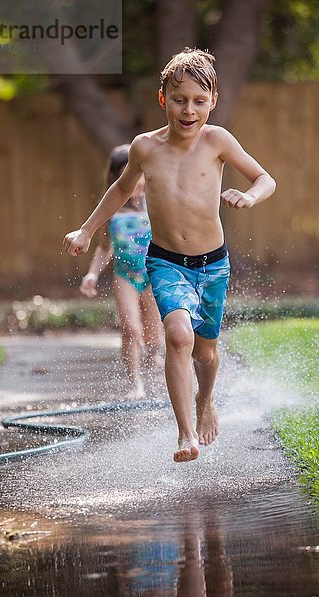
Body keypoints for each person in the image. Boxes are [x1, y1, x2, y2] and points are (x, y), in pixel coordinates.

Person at [63, 48, 276, 463]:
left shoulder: (218, 141)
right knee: (178, 336)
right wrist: (87, 230)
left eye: (199, 101)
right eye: (180, 100)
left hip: (212, 263)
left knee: (206, 352)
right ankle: (185, 433)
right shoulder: (145, 148)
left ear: (213, 102)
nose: (189, 109)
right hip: (164, 260)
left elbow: (265, 178)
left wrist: (249, 196)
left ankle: (206, 399)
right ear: (163, 100)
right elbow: (121, 190)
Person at [79, 145, 163, 400]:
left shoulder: (155, 201)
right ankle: (135, 384)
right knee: (131, 329)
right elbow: (105, 247)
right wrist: (92, 274)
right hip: (125, 275)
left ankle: (153, 362)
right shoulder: (111, 209)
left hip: (154, 273)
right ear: (117, 178)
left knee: (153, 337)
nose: (135, 181)